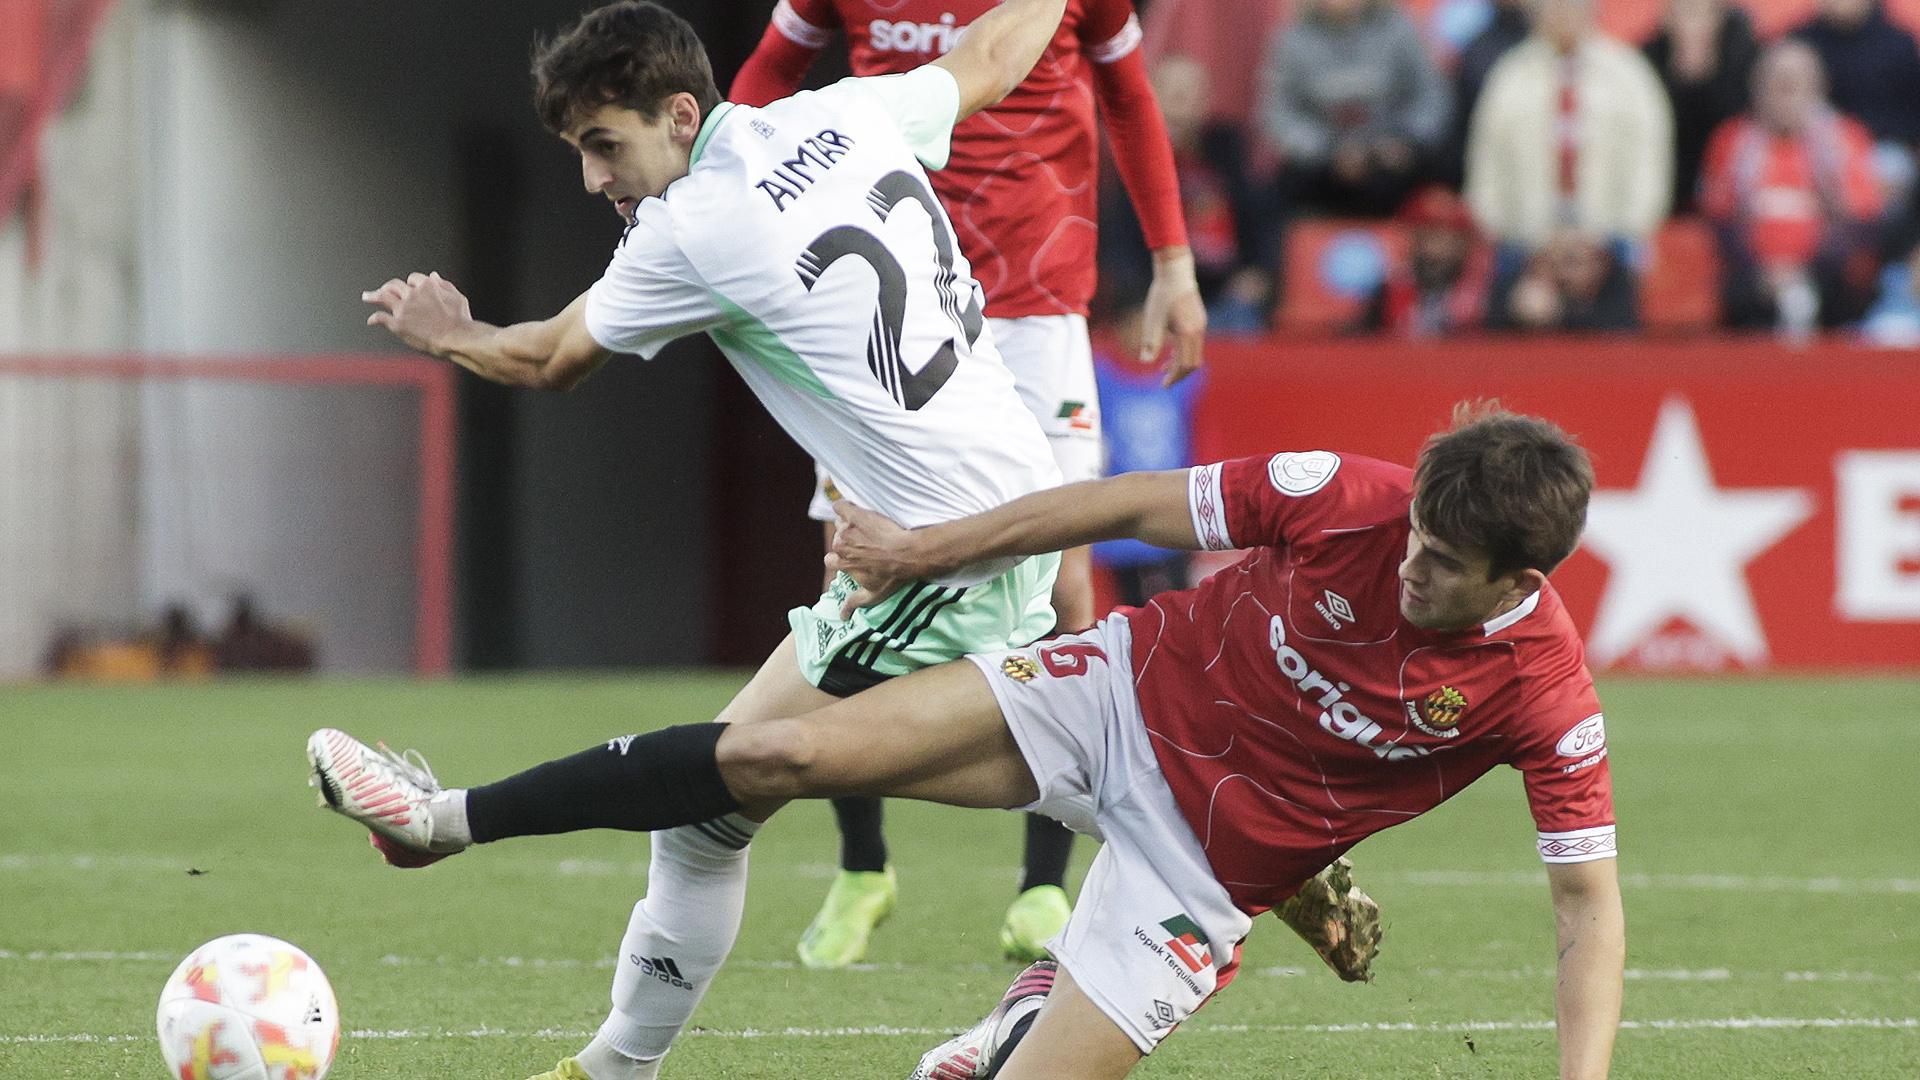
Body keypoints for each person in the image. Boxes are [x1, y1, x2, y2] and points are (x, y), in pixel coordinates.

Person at [351, 4, 1362, 1077]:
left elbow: (549, 358)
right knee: (767, 805)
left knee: (717, 788)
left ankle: (1224, 835)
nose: (596, 180)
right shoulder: (848, 115)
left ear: (682, 113)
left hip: (937, 550)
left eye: (607, 145)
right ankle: (1231, 827)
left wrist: (449, 331)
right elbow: (991, 57)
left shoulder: (691, 225)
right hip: (1015, 503)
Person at [310, 403, 1619, 1080]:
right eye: (1412, 541)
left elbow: (1584, 911)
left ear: (1521, 578)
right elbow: (1118, 503)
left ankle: (1030, 1010)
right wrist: (916, 549)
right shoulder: (1348, 499)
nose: (1408, 572)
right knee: (783, 755)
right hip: (1114, 694)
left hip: (1201, 875)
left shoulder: (1544, 695)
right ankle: (439, 824)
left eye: (1442, 568)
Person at [728, 0, 1208, 968]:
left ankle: (1041, 887)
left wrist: (1172, 260)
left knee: (1067, 584)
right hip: (885, 308)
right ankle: (863, 867)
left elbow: (1128, 91)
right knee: (859, 580)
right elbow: (758, 88)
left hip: (1034, 300)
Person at [1465, 0, 1672, 307]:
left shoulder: (1628, 74)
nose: (1564, 15)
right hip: (1525, 242)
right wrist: (1507, 229)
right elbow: (1487, 166)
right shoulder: (1510, 76)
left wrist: (1621, 230)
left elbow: (1649, 164)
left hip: (1610, 241)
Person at [1700, 39, 1885, 334]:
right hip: (1753, 279)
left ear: (1818, 88)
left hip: (1826, 278)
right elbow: (1723, 222)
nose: (1786, 96)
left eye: (1796, 85)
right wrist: (1765, 274)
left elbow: (1858, 223)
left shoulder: (1845, 140)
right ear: (1758, 89)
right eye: (1777, 85)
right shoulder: (1733, 142)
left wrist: (1804, 274)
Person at [1259, 0, 1452, 219]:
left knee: (1441, 168)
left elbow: (1431, 96)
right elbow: (1279, 114)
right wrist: (1328, 150)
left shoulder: (1399, 28)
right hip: (1323, 166)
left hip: (1392, 156)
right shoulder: (1292, 39)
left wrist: (1405, 139)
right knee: (1279, 188)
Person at [1642, 0, 1761, 215]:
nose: (1698, 23)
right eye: (1689, 11)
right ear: (1667, 18)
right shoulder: (1644, 64)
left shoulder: (1747, 60)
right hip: (1663, 185)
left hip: (1728, 189)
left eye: (1708, 12)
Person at [1357, 185, 1492, 336]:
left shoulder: (1491, 292)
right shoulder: (1388, 291)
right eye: (1425, 237)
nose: (1433, 250)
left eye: (1445, 238)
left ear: (1464, 243)